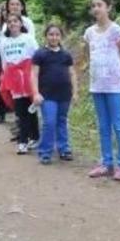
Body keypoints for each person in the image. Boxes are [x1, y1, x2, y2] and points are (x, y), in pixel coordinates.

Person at [84, 0, 120, 181]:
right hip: (97, 86)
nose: (96, 8)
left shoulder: (117, 31)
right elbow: (90, 55)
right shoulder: (89, 33)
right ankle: (106, 162)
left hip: (115, 86)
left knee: (119, 125)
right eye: (94, 5)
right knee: (103, 126)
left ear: (109, 7)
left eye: (100, 5)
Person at [31, 24, 77, 165]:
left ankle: (64, 149)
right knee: (49, 122)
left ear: (61, 37)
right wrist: (36, 93)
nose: (54, 37)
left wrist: (75, 92)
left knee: (62, 121)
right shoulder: (40, 54)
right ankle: (45, 152)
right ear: (46, 36)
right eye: (51, 34)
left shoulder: (66, 55)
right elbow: (34, 74)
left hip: (64, 94)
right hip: (47, 95)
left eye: (57, 34)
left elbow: (72, 73)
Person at [0, 13, 39, 155]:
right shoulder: (4, 42)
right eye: (9, 22)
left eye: (15, 21)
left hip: (28, 78)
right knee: (21, 111)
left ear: (21, 24)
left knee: (31, 109)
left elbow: (37, 58)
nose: (12, 24)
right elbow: (4, 63)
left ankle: (31, 138)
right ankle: (25, 140)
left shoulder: (28, 39)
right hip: (14, 80)